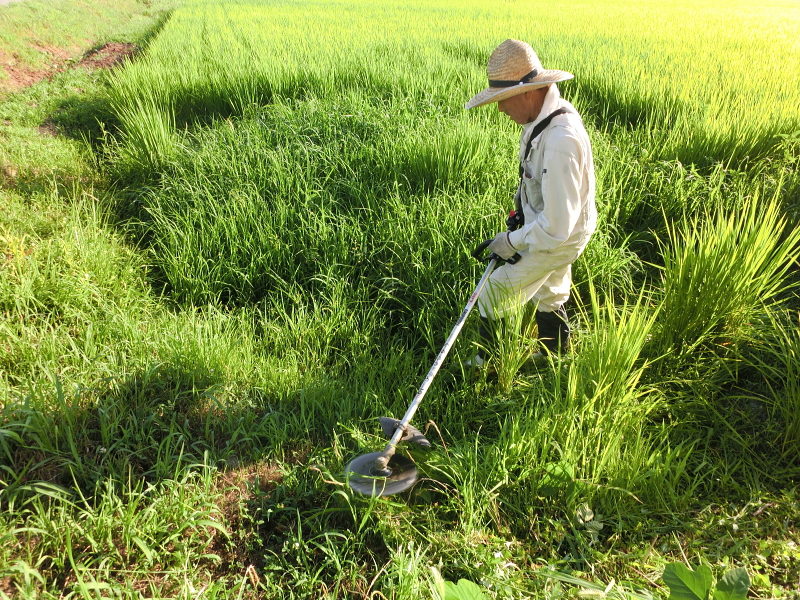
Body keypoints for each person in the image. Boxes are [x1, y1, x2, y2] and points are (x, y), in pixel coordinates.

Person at [464, 39, 596, 367]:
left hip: (560, 236)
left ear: (527, 92)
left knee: (494, 290)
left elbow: (555, 229)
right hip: (559, 227)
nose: (499, 108)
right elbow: (539, 181)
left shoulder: (559, 142)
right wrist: (521, 209)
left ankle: (490, 368)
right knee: (551, 291)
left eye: (503, 99)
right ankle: (556, 357)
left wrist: (510, 242)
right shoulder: (544, 117)